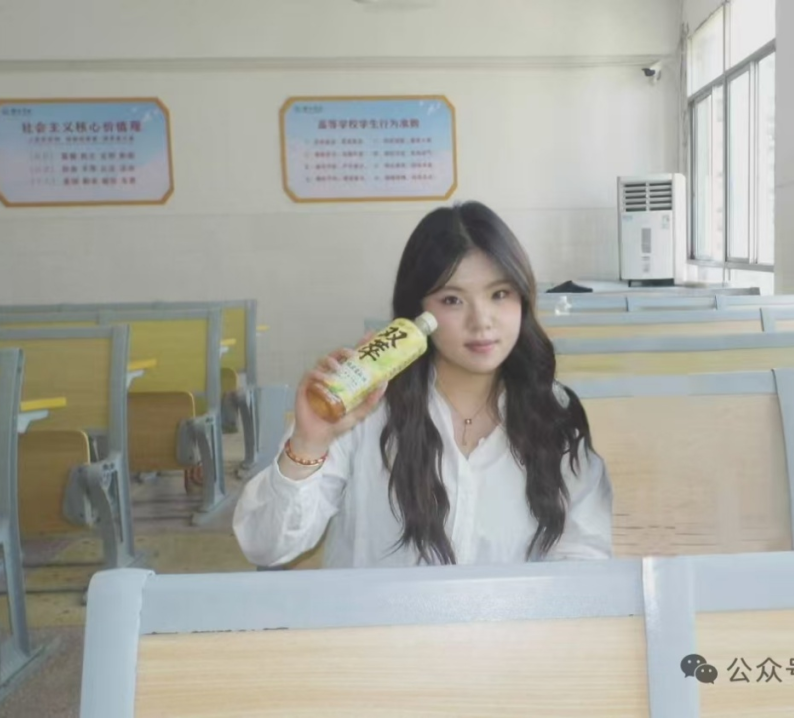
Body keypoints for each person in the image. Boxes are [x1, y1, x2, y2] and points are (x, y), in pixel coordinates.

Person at [233, 201, 613, 568]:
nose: (481, 321)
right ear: (418, 312)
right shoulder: (366, 406)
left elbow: (583, 553)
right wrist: (309, 443)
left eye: (499, 294)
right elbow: (265, 548)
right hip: (373, 615)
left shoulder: (554, 414)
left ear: (522, 299)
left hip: (506, 616)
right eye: (452, 300)